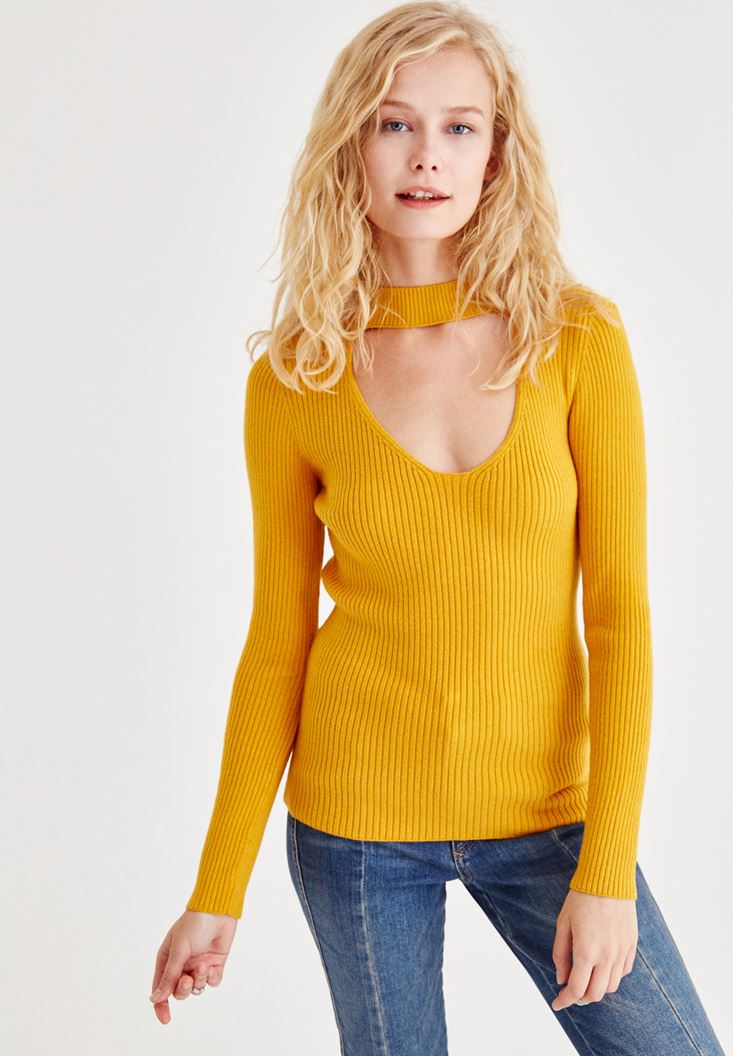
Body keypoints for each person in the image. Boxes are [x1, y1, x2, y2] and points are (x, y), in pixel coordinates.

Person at [149, 3, 726, 1052]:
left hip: (549, 817)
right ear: (351, 144)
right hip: (357, 831)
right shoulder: (296, 373)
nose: (427, 155)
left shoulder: (576, 339)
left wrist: (606, 871)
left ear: (497, 152)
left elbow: (620, 617)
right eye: (394, 123)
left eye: (460, 126)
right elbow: (276, 641)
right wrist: (215, 890)